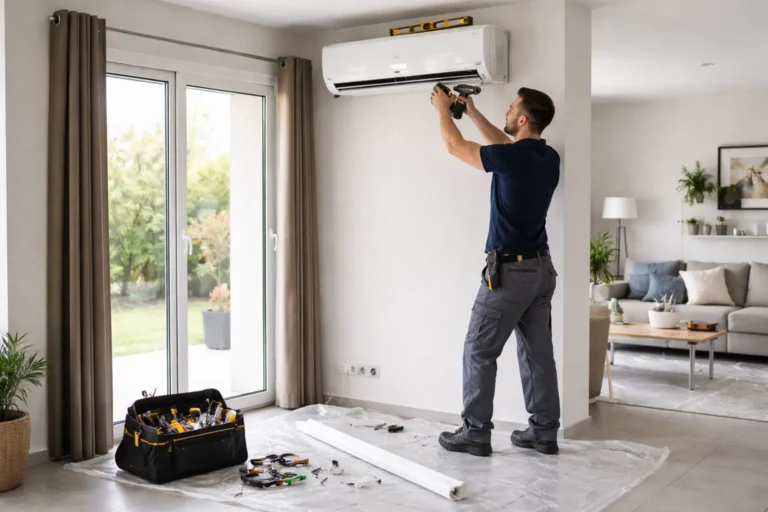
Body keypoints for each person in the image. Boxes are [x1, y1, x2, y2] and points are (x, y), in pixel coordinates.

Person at [430, 85, 561, 456]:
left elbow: (456, 147)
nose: (506, 110)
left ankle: (474, 433)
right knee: (538, 354)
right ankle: (544, 431)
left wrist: (443, 110)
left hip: (510, 273)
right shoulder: (547, 157)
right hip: (540, 270)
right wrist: (470, 111)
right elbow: (505, 149)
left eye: (510, 108)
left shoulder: (514, 159)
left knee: (478, 350)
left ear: (522, 119)